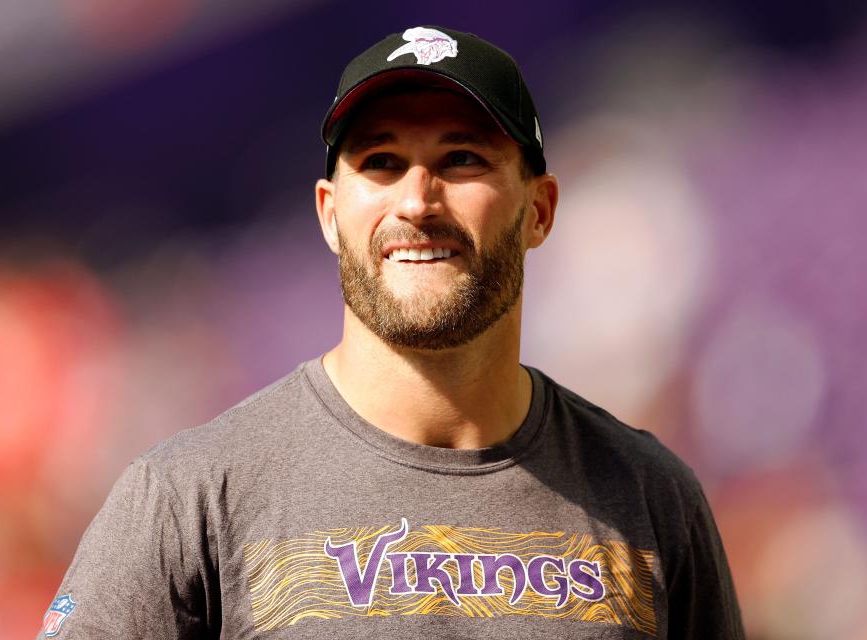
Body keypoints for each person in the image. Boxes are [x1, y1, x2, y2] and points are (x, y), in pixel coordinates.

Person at [39, 26, 744, 639]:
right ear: (327, 212)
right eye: (379, 162)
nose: (416, 200)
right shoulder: (189, 497)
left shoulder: (651, 497)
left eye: (461, 158)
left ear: (540, 209)